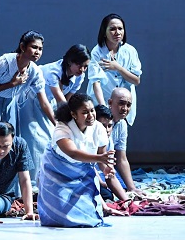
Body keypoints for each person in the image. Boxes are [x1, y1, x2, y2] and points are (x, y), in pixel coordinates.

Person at [0, 30, 56, 192]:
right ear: (22, 47)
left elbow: (44, 101)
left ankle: (7, 190)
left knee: (10, 142)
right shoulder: (4, 63)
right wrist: (12, 84)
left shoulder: (34, 71)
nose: (37, 52)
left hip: (9, 101)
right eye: (34, 47)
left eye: (40, 49)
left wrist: (57, 124)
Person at [37, 93, 128, 228]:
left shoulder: (99, 128)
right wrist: (99, 158)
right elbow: (73, 153)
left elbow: (102, 157)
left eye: (92, 111)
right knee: (59, 216)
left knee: (90, 216)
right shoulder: (62, 128)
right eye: (85, 112)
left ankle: (101, 207)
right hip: (57, 172)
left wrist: (107, 168)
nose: (91, 115)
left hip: (83, 172)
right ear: (74, 114)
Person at [19, 44, 91, 185]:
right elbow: (60, 101)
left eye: (85, 66)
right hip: (31, 100)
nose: (82, 70)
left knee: (52, 139)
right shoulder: (53, 72)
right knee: (36, 139)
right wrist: (63, 125)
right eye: (79, 65)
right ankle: (33, 182)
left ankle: (47, 178)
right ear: (70, 61)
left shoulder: (79, 76)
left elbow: (68, 100)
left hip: (50, 103)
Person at [86, 13, 142, 126]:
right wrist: (103, 108)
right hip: (102, 102)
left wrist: (118, 67)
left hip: (123, 106)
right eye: (112, 29)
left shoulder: (130, 51)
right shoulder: (97, 52)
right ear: (104, 32)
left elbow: (136, 80)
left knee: (120, 133)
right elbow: (95, 83)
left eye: (120, 28)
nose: (117, 32)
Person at [107, 87, 143, 195]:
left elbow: (121, 159)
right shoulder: (99, 121)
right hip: (93, 166)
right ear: (110, 103)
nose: (125, 108)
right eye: (121, 103)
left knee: (123, 189)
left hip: (108, 167)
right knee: (108, 193)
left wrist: (132, 188)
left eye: (128, 105)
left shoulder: (122, 124)